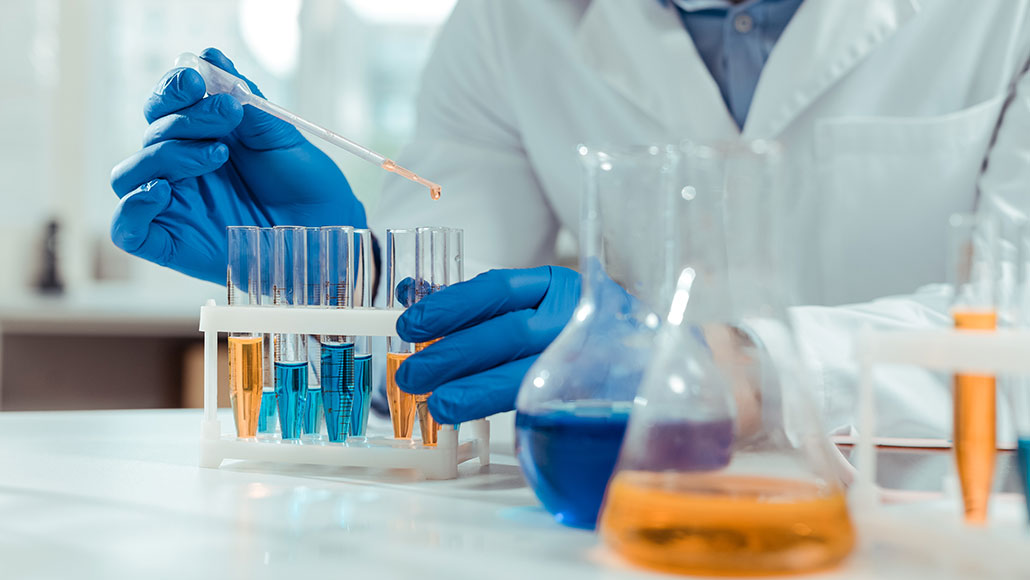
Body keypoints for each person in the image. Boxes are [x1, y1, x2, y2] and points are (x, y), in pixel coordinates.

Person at [111, 0, 1030, 438]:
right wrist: (335, 275)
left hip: (926, 527)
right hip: (609, 523)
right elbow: (447, 306)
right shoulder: (512, 23)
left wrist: (721, 369)